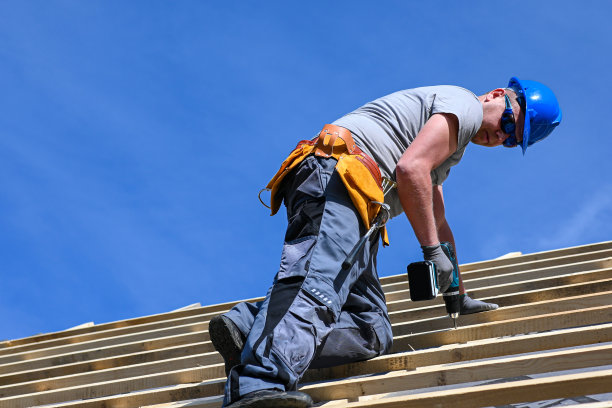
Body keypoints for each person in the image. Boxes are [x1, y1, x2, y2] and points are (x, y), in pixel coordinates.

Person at [210, 77, 562, 407]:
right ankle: (257, 383)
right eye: (509, 123)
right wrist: (430, 252)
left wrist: (458, 290)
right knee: (316, 287)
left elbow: (437, 219)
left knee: (372, 328)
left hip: (359, 206)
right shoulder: (464, 105)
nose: (502, 136)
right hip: (338, 177)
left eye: (513, 140)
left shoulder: (449, 146)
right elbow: (411, 171)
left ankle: (248, 325)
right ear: (498, 95)